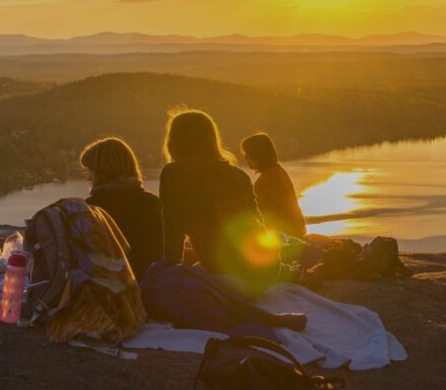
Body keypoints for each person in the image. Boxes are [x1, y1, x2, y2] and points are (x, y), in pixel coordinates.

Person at [159, 109, 279, 292]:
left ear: (174, 140)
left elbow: (173, 232)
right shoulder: (238, 175)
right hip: (267, 269)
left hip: (230, 274)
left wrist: (170, 278)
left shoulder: (173, 174)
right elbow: (259, 225)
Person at [80, 136, 162, 280]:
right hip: (153, 285)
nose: (88, 178)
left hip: (112, 290)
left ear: (102, 171)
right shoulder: (152, 202)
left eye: (90, 171)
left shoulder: (93, 208)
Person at [241, 132, 307, 239]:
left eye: (248, 155)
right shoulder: (279, 171)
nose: (245, 158)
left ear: (258, 155)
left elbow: (257, 211)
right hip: (297, 230)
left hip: (283, 234)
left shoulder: (266, 179)